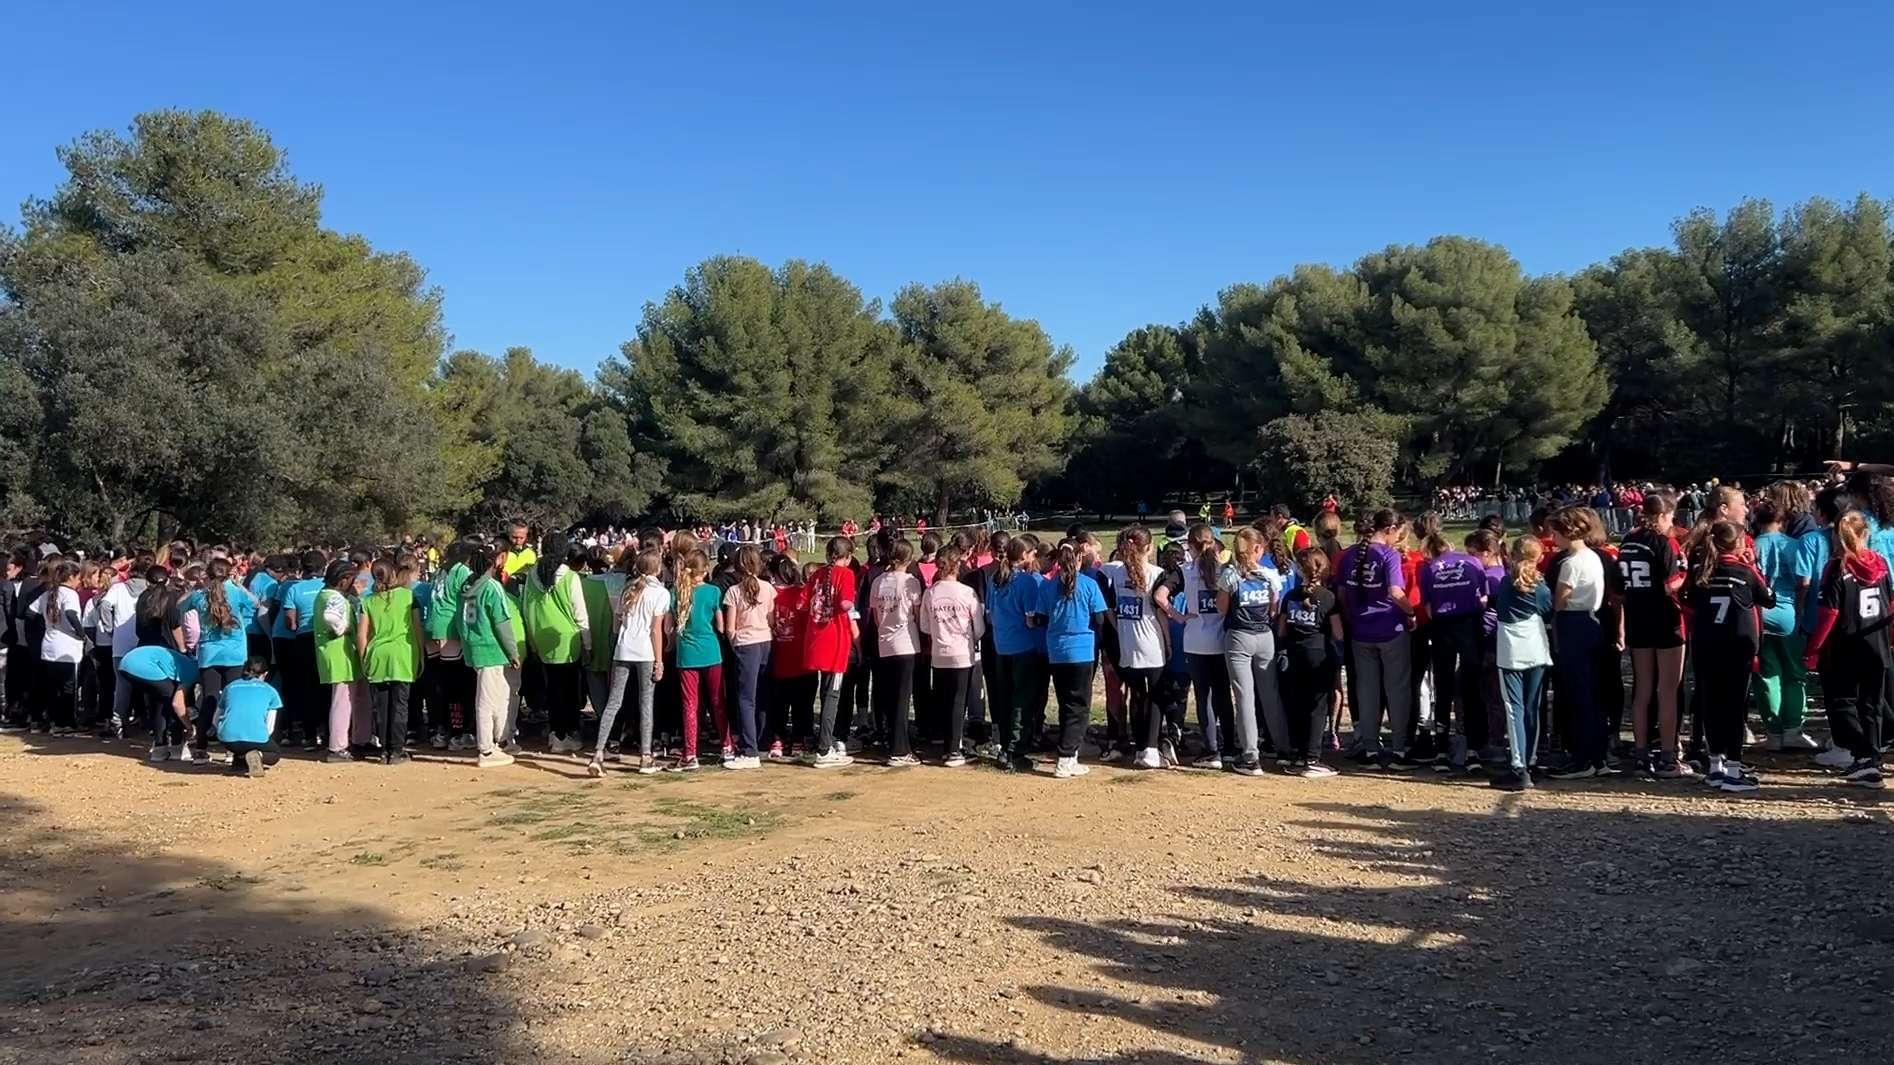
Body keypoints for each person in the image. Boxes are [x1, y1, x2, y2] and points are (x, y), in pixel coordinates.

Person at [1801, 512, 1889, 788]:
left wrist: (1814, 648)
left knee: (1841, 702)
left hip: (1846, 644)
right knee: (1872, 704)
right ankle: (1872, 758)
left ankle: (1863, 753)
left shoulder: (1838, 567)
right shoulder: (1881, 564)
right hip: (1877, 641)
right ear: (1865, 534)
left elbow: (1830, 611)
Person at [1685, 521, 1773, 794]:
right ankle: (1733, 769)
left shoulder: (1702, 571)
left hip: (1706, 644)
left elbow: (1689, 602)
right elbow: (1769, 598)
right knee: (1735, 706)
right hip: (1737, 647)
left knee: (1710, 703)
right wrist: (1754, 567)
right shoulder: (1744, 571)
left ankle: (1715, 766)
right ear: (1739, 544)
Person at [1616, 493, 1691, 778]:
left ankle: (1640, 754)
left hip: (1637, 616)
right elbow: (1671, 583)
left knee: (1642, 689)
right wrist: (1686, 576)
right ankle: (1668, 757)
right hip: (1664, 618)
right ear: (1663, 515)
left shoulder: (1628, 540)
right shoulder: (1665, 542)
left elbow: (1621, 583)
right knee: (1668, 690)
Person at [1337, 509, 1418, 770]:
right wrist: (1410, 612)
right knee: (1397, 689)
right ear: (1390, 530)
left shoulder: (1350, 554)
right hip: (1390, 629)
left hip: (1361, 631)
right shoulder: (1388, 555)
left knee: (1367, 690)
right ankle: (1399, 750)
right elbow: (1396, 591)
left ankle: (1370, 748)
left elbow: (1342, 594)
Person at [1029, 541, 1107, 778]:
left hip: (1057, 651)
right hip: (1082, 650)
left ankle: (1069, 752)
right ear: (1080, 559)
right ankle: (1066, 756)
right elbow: (1100, 619)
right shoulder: (1089, 585)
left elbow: (1040, 618)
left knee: (1066, 704)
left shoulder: (1048, 586)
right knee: (1079, 706)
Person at [1416, 525, 1490, 772]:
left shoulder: (1428, 569)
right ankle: (1472, 750)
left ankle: (1441, 750)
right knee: (1471, 686)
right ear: (1450, 546)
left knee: (1443, 685)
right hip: (1469, 624)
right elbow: (1483, 598)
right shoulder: (1471, 562)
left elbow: (1426, 608)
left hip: (1442, 626)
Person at [1546, 507, 1613, 780]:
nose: (1552, 538)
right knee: (1592, 692)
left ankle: (1582, 758)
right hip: (1592, 622)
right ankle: (1597, 756)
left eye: (1556, 532)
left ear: (1568, 532)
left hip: (1573, 623)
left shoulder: (1572, 562)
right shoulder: (1594, 556)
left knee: (1578, 692)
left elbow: (1560, 599)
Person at [590, 548, 669, 777]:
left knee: (614, 702)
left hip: (622, 650)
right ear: (657, 567)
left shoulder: (628, 588)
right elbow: (656, 630)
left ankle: (598, 752)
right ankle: (645, 756)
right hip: (645, 652)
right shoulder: (660, 593)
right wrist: (659, 661)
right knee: (646, 703)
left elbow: (617, 623)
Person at [1100, 527, 1172, 770]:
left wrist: (1117, 625)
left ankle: (1140, 747)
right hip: (1152, 645)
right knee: (1155, 698)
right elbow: (1163, 610)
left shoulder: (1115, 573)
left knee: (1138, 697)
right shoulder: (1157, 573)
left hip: (1127, 646)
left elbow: (1107, 604)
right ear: (1149, 548)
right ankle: (1150, 748)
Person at [1218, 526, 1285, 776]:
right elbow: (1274, 608)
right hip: (1265, 635)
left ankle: (1250, 755)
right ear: (1258, 549)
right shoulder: (1270, 575)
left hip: (1239, 636)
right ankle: (1283, 748)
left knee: (1244, 697)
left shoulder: (1230, 576)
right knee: (1270, 693)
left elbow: (1222, 609)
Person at [1491, 537, 1553, 791]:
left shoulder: (1506, 582)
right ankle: (1531, 759)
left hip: (1511, 650)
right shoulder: (1541, 586)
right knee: (1532, 706)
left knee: (1513, 707)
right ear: (1539, 557)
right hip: (1536, 647)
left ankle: (1519, 766)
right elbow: (1547, 610)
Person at [522, 536, 591, 754]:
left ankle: (555, 733)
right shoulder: (570, 577)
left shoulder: (532, 575)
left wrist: (532, 641)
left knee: (552, 689)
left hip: (541, 639)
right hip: (566, 641)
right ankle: (567, 734)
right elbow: (580, 614)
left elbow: (526, 608)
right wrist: (587, 644)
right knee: (569, 690)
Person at [1277, 548, 1341, 778]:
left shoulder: (1290, 596)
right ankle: (1313, 758)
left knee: (1296, 705)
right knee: (1317, 707)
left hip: (1293, 654)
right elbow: (1338, 632)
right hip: (1318, 655)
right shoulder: (1328, 597)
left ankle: (1297, 753)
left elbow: (1282, 629)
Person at [918, 545, 983, 766]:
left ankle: (947, 744)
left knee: (944, 699)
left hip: (939, 652)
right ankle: (955, 749)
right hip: (962, 653)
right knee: (958, 700)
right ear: (958, 565)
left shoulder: (931, 592)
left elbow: (925, 627)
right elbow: (980, 627)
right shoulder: (967, 593)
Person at [986, 536, 1046, 773]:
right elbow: (1031, 620)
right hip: (1023, 646)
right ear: (1024, 556)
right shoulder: (1028, 582)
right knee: (1022, 699)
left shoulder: (996, 579)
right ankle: (1016, 750)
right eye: (1032, 553)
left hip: (1002, 645)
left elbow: (990, 614)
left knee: (1005, 697)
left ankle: (1004, 746)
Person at [460, 544, 523, 768]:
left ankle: (500, 741)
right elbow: (502, 624)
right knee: (487, 702)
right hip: (492, 650)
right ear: (492, 563)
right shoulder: (493, 588)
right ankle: (486, 750)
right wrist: (513, 653)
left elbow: (466, 621)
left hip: (476, 648)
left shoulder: (468, 586)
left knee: (496, 697)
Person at [1175, 523, 1230, 768]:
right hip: (1221, 640)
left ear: (1191, 546)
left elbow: (1160, 595)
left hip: (1196, 639)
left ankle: (1211, 750)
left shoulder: (1185, 570)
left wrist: (1179, 616)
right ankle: (1230, 746)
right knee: (1223, 696)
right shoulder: (1227, 571)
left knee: (1203, 697)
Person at [358, 558, 424, 765]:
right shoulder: (408, 596)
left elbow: (362, 634)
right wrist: (421, 654)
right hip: (402, 655)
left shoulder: (367, 601)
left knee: (382, 705)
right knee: (400, 705)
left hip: (377, 655)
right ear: (394, 574)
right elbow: (416, 628)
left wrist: (363, 658)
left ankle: (384, 750)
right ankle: (397, 750)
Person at [869, 539, 923, 766]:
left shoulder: (878, 581)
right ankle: (900, 750)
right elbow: (918, 614)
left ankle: (892, 740)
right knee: (902, 698)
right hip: (906, 643)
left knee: (889, 696)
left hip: (885, 642)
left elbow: (875, 615)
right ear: (909, 560)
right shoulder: (911, 582)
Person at [720, 545, 774, 770]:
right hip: (766, 642)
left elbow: (730, 628)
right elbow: (772, 619)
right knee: (762, 695)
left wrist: (735, 645)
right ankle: (761, 741)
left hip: (746, 644)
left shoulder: (734, 591)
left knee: (745, 699)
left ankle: (749, 750)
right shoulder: (769, 588)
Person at [311, 559, 365, 764]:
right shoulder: (336, 599)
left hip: (332, 653)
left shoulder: (323, 595)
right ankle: (338, 746)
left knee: (342, 700)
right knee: (342, 702)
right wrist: (344, 628)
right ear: (343, 580)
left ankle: (341, 743)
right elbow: (331, 617)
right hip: (339, 654)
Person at [121, 642, 199, 763]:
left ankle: (159, 748)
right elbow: (177, 704)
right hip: (144, 665)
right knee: (171, 700)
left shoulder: (186, 663)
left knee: (159, 702)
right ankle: (176, 747)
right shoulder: (193, 671)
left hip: (127, 663)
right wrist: (189, 727)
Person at [33, 560, 84, 735]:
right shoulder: (70, 594)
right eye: (78, 577)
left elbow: (30, 613)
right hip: (67, 647)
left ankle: (55, 722)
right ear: (71, 577)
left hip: (49, 645)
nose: (79, 581)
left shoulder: (47, 594)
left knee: (53, 687)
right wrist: (81, 633)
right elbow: (70, 613)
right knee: (68, 687)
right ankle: (67, 723)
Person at [214, 657, 284, 776]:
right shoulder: (271, 690)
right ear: (265, 674)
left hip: (228, 740)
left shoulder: (230, 687)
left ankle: (240, 759)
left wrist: (221, 732)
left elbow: (216, 719)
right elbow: (270, 727)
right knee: (274, 754)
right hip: (256, 738)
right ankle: (258, 755)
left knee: (241, 740)